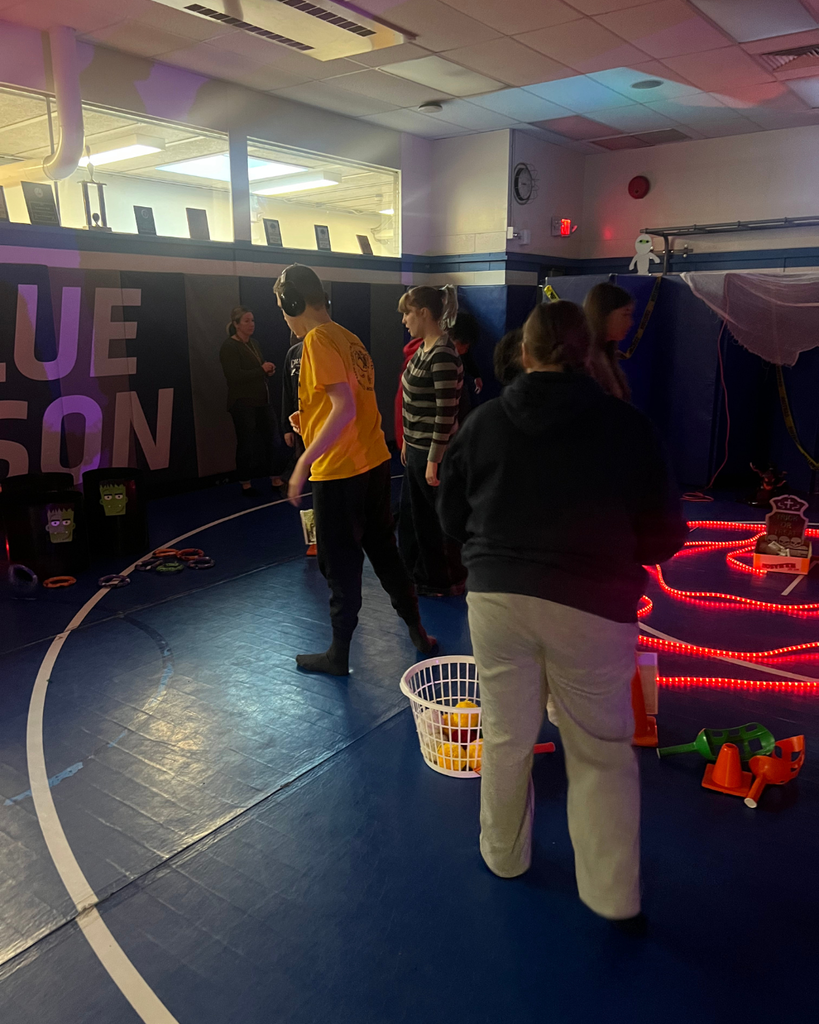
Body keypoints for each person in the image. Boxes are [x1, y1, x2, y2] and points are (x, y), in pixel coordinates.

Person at [439, 300, 687, 928]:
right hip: (592, 607)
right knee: (599, 750)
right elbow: (665, 534)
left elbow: (450, 516)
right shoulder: (627, 427)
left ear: (524, 353)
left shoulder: (486, 422)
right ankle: (610, 894)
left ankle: (503, 856)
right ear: (586, 353)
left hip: (498, 598)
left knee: (506, 736)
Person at [274, 263, 437, 676]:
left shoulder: (315, 340)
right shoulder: (349, 338)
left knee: (339, 563)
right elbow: (350, 405)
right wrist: (308, 421)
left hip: (339, 471)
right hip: (373, 463)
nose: (284, 319)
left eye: (282, 309)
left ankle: (339, 653)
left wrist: (304, 461)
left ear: (292, 303)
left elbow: (343, 408)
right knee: (384, 551)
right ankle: (417, 630)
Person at [398, 285, 467, 598]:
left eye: (408, 313)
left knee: (436, 520)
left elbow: (445, 412)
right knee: (415, 518)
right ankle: (420, 573)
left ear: (424, 313)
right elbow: (410, 401)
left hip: (431, 450)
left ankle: (444, 579)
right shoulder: (423, 349)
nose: (404, 320)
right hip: (416, 447)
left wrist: (433, 459)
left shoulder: (442, 354)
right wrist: (406, 440)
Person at [219, 307, 288, 497]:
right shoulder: (229, 347)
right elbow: (234, 376)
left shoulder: (254, 343)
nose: (251, 324)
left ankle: (275, 478)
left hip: (262, 400)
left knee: (274, 440)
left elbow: (258, 369)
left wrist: (267, 371)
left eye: (253, 320)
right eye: (247, 321)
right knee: (247, 443)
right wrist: (261, 370)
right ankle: (246, 483)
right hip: (242, 403)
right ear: (236, 324)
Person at [583, 282, 635, 401]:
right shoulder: (585, 360)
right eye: (625, 314)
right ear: (603, 314)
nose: (630, 322)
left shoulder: (606, 353)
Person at [448, 311, 483, 421]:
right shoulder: (439, 356)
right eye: (463, 346)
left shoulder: (462, 353)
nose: (464, 350)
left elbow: (468, 358)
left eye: (467, 347)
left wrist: (476, 376)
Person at [281, 331, 304, 457]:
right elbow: (288, 391)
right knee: (303, 459)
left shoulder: (323, 349)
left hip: (321, 420)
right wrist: (287, 428)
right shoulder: (293, 352)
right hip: (299, 420)